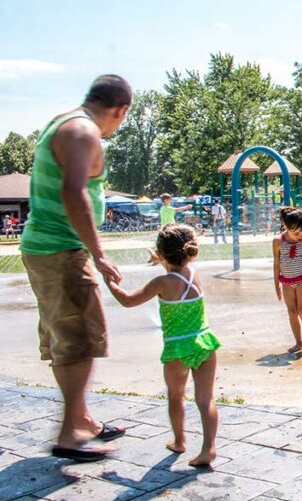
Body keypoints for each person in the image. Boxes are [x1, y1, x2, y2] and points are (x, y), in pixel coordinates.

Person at [20, 75, 132, 462]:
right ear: (121, 110)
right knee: (81, 338)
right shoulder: (85, 132)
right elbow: (74, 190)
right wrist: (98, 253)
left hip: (44, 248)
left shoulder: (62, 121)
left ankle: (82, 418)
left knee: (64, 337)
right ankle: (70, 434)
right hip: (62, 250)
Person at [104, 224, 219, 468]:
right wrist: (165, 258)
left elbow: (127, 300)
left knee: (176, 396)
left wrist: (110, 283)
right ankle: (209, 448)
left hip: (177, 348)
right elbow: (177, 263)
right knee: (205, 399)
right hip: (204, 342)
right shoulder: (193, 273)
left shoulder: (163, 282)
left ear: (162, 253)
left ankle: (179, 441)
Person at [274, 207, 302, 355]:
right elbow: (277, 264)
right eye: (296, 232)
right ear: (286, 227)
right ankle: (298, 342)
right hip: (286, 281)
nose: (300, 235)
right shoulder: (278, 241)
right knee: (292, 312)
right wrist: (276, 285)